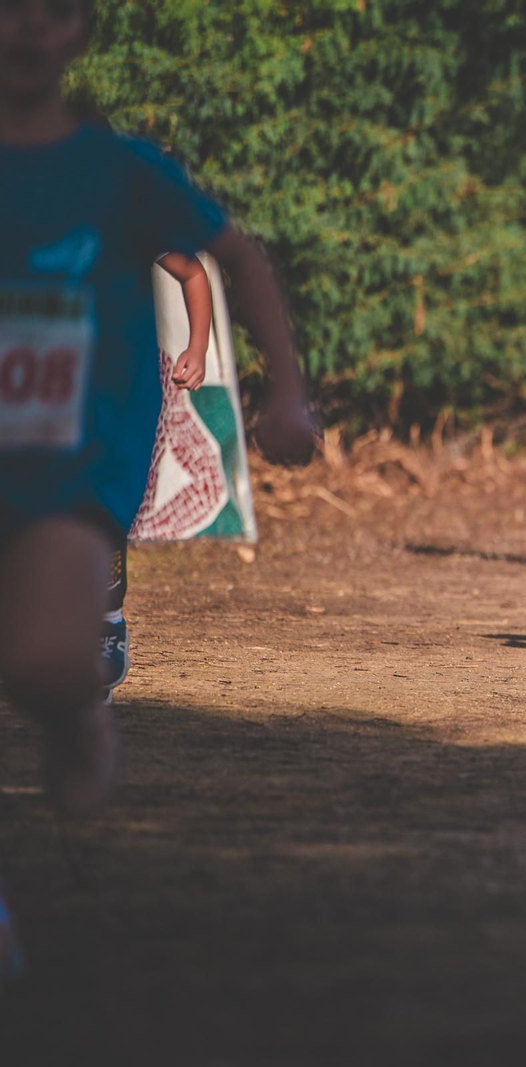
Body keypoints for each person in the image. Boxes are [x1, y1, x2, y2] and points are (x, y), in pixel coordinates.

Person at [0, 0, 317, 976]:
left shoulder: (120, 169)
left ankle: (72, 702)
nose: (25, 27)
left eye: (49, 12)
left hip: (71, 454)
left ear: (77, 36)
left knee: (48, 660)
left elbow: (236, 256)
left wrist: (287, 392)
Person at [100, 250, 214, 704]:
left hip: (120, 386)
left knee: (103, 504)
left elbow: (193, 272)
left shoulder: (125, 204)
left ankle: (108, 625)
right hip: (45, 385)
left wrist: (198, 347)